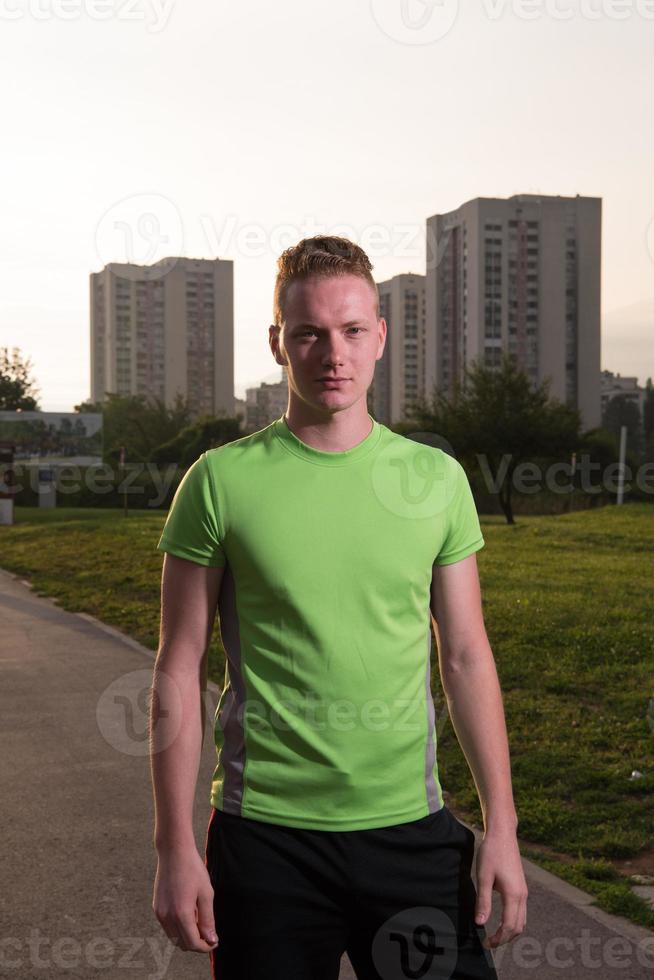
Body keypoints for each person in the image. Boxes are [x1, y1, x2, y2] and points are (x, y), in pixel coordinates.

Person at [150, 236, 528, 979]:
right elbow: (178, 665)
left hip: (410, 835)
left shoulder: (435, 480)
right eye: (310, 333)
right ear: (277, 343)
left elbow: (466, 653)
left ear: (381, 336)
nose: (334, 353)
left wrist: (503, 827)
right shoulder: (219, 482)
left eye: (353, 330)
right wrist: (174, 847)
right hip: (266, 845)